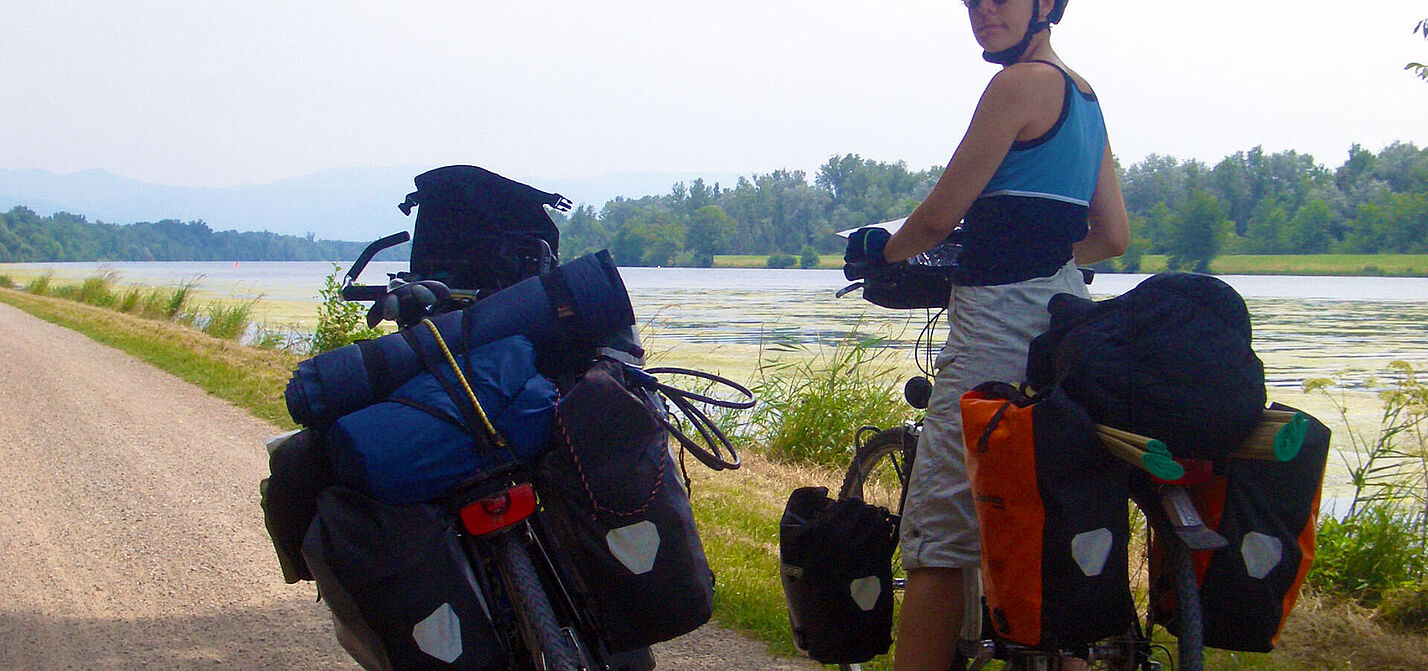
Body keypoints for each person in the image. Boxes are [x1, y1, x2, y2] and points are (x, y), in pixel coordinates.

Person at [843, 1, 1129, 669]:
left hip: (994, 332)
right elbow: (1112, 237)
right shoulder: (1086, 100)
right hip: (1063, 325)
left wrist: (883, 257)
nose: (983, 10)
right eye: (972, 0)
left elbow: (941, 214)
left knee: (939, 538)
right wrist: (1041, 256)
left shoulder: (1017, 84)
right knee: (1044, 515)